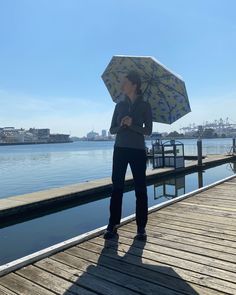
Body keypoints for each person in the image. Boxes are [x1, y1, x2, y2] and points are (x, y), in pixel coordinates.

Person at [104, 71, 153, 240]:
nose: (121, 86)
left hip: (138, 150)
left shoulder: (145, 105)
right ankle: (112, 225)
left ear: (134, 85)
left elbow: (148, 131)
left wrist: (132, 125)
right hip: (120, 149)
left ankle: (141, 228)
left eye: (124, 83)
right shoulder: (119, 106)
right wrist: (122, 125)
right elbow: (112, 130)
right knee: (117, 187)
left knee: (140, 189)